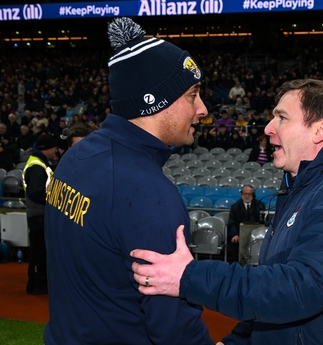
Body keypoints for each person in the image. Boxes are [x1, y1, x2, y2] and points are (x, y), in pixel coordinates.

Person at [131, 78, 323, 344]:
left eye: (281, 117)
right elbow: (273, 301)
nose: (268, 128)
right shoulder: (297, 192)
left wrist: (190, 276)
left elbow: (300, 290)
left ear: (320, 131)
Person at [43, 18, 213, 345]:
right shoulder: (148, 195)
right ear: (156, 101)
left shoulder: (76, 157)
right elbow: (173, 326)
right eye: (193, 95)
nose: (202, 109)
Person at [23, 134, 58, 295]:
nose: (55, 151)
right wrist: (55, 199)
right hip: (39, 213)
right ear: (48, 149)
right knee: (39, 250)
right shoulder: (38, 166)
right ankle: (37, 283)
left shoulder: (37, 163)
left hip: (38, 213)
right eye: (54, 148)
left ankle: (38, 282)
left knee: (40, 250)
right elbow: (35, 193)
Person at [226, 185, 266, 263]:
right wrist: (235, 234)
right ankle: (238, 264)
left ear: (253, 195)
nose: (247, 196)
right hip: (239, 234)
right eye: (245, 194)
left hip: (257, 233)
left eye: (249, 194)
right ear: (241, 194)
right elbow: (232, 222)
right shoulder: (235, 207)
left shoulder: (260, 205)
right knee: (234, 242)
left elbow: (264, 221)